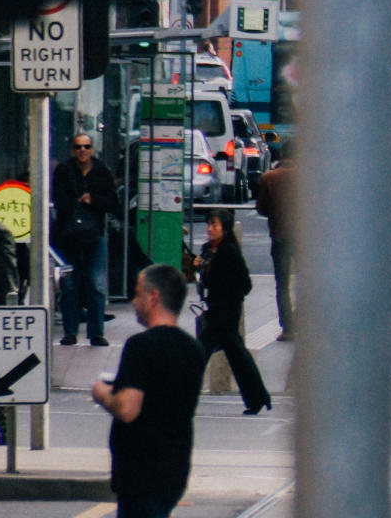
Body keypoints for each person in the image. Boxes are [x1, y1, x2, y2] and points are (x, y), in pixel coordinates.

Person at [92, 265, 204, 518]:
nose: (133, 301)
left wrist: (102, 394)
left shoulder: (141, 346)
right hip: (174, 469)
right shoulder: (193, 350)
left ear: (153, 297)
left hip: (140, 472)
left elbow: (128, 408)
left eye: (137, 293)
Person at [184, 210, 272, 416]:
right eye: (209, 225)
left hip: (225, 313)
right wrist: (198, 268)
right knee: (238, 357)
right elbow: (204, 279)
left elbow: (245, 284)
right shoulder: (208, 250)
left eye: (215, 225)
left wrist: (226, 293)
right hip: (215, 311)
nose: (210, 229)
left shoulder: (229, 251)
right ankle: (258, 397)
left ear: (225, 228)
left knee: (200, 355)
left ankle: (184, 399)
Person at [55, 132, 121, 346]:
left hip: (95, 234)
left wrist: (93, 200)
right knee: (70, 284)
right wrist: (73, 202)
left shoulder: (102, 172)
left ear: (92, 149)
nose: (82, 150)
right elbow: (58, 199)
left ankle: (96, 332)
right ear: (72, 150)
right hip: (69, 235)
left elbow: (113, 202)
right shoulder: (64, 171)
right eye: (78, 146)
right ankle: (70, 331)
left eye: (86, 146)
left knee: (95, 283)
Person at [253, 145, 294, 341]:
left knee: (282, 283)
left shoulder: (269, 178)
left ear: (282, 154)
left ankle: (288, 327)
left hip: (280, 236)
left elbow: (261, 208)